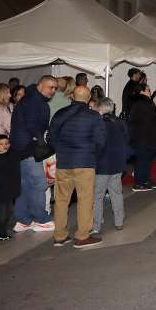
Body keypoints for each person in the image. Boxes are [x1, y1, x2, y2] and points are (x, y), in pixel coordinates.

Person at [48, 86, 106, 249]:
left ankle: (59, 235)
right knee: (85, 200)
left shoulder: (60, 113)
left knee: (61, 200)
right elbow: (101, 141)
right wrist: (94, 156)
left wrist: (61, 151)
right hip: (85, 162)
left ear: (72, 96)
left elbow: (51, 138)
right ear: (88, 98)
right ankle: (82, 236)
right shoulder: (94, 116)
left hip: (63, 162)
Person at [10, 75, 57, 233]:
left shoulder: (30, 98)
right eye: (51, 87)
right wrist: (42, 141)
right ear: (40, 85)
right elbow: (32, 125)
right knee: (39, 184)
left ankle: (23, 220)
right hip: (29, 148)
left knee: (25, 185)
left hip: (20, 149)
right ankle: (41, 219)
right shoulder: (34, 101)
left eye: (55, 88)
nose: (53, 91)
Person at [92, 98, 128, 234]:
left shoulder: (98, 123)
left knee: (98, 196)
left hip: (101, 165)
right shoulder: (120, 122)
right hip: (117, 163)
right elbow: (127, 140)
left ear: (100, 109)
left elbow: (97, 144)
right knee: (116, 193)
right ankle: (119, 221)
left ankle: (96, 225)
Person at [129, 83, 156, 191]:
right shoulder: (142, 102)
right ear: (142, 91)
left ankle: (146, 180)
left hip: (145, 136)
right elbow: (152, 113)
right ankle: (139, 183)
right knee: (142, 160)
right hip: (143, 137)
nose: (150, 92)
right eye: (148, 90)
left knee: (146, 160)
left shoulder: (141, 102)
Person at [0, 134, 21, 240]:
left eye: (7, 143)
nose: (5, 146)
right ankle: (0, 234)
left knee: (9, 212)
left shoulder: (11, 156)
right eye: (1, 144)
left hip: (8, 191)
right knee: (2, 214)